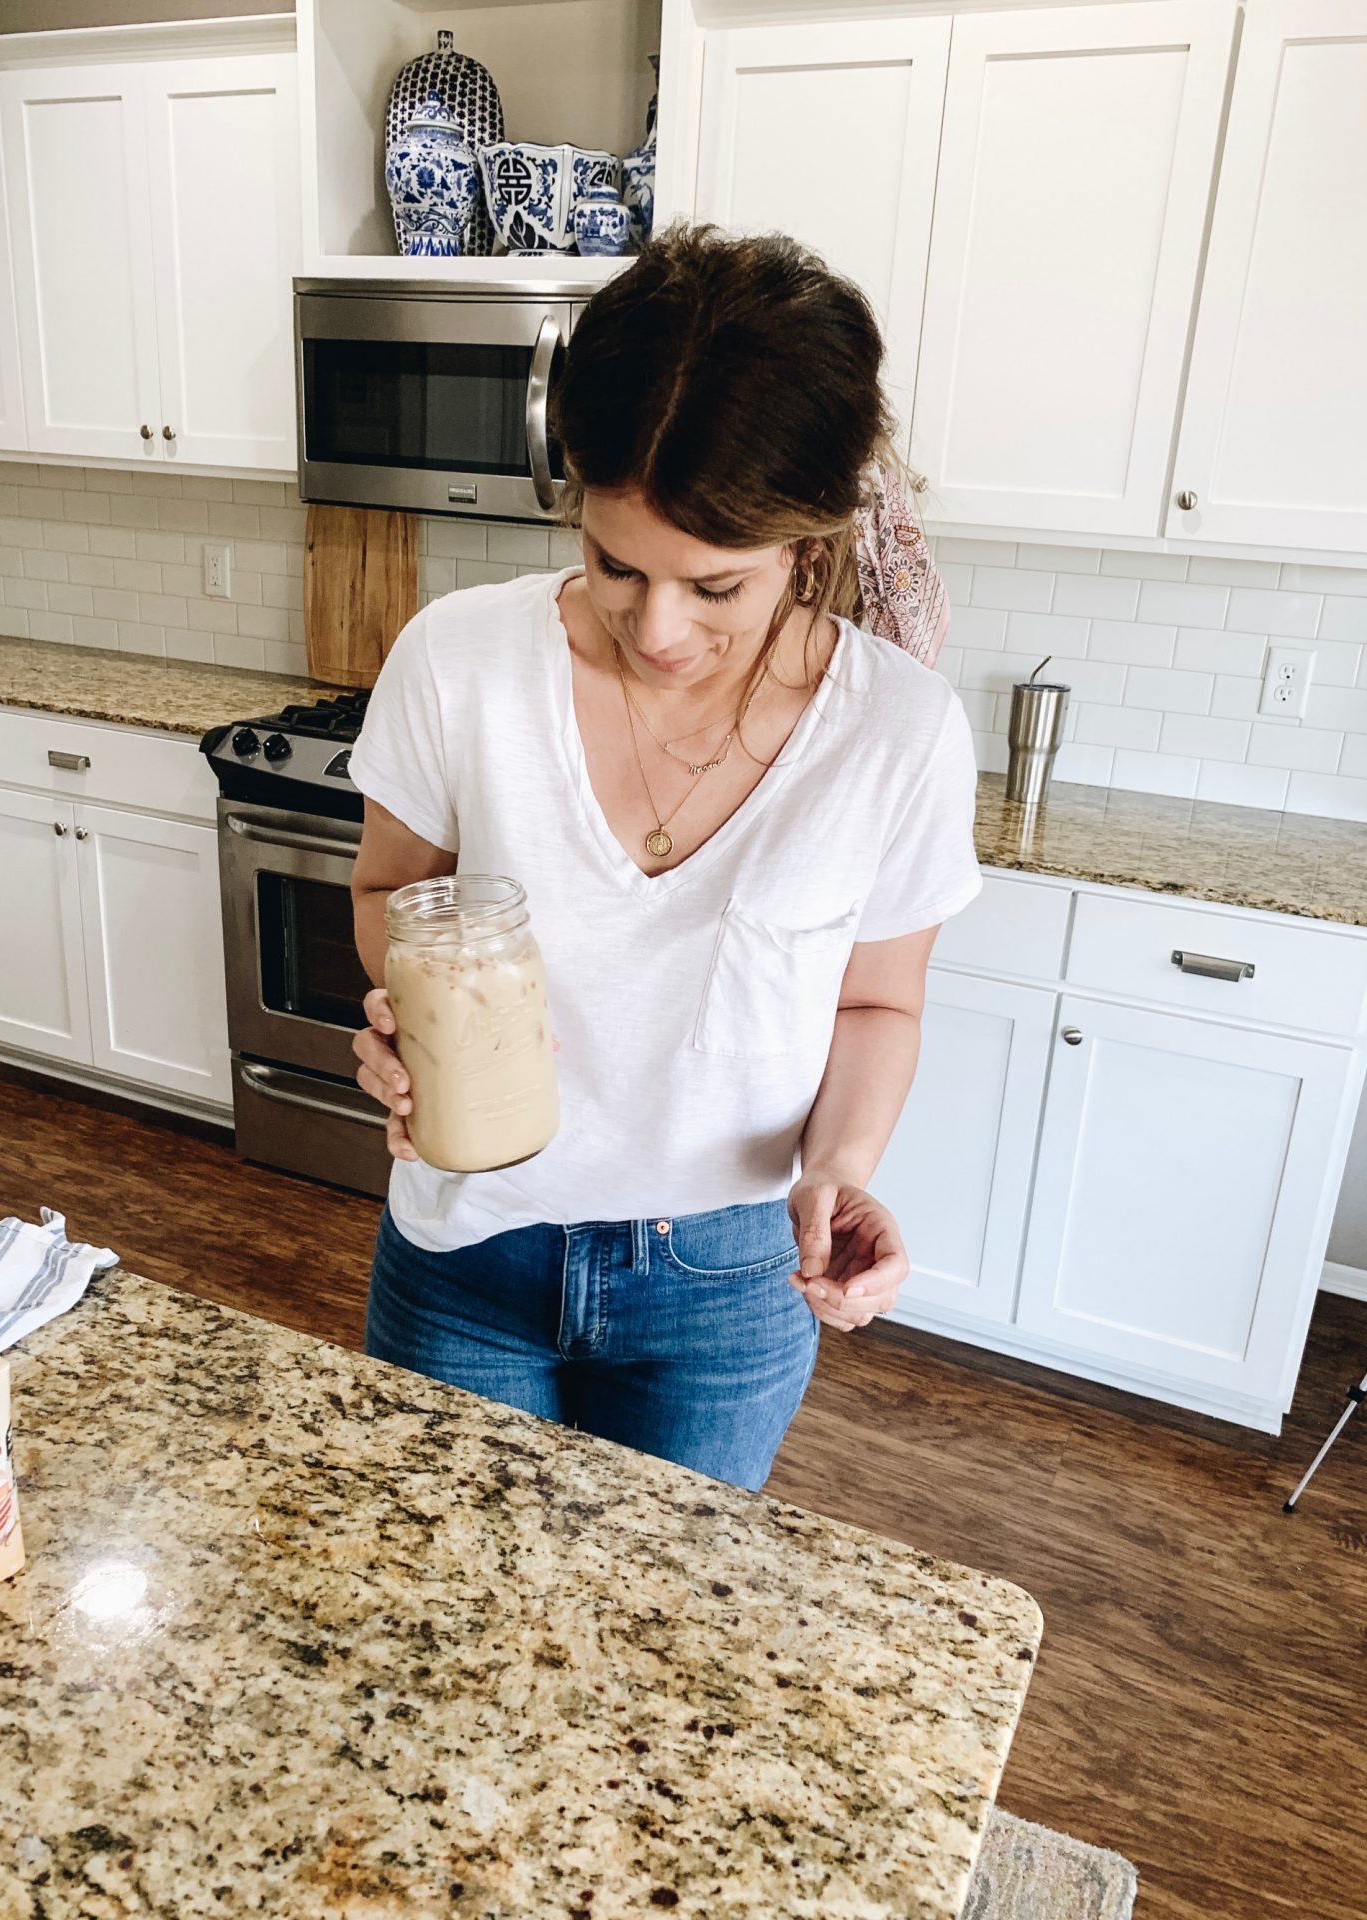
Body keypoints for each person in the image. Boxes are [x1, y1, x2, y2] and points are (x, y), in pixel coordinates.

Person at [348, 225, 981, 1493]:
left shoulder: (897, 732)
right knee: (451, 1622)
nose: (659, 628)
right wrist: (406, 1024)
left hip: (726, 1284)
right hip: (468, 1246)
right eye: (614, 564)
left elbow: (876, 1000)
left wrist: (840, 1171)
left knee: (658, 1647)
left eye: (717, 587)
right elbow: (387, 894)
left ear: (810, 540)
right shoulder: (461, 657)